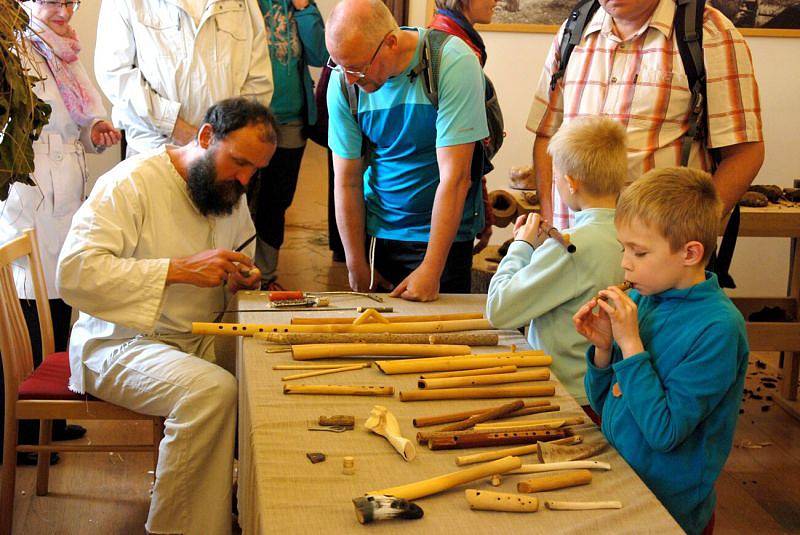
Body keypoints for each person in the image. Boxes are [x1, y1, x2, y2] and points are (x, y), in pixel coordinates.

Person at [56, 98, 275, 535]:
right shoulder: (131, 182)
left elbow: (240, 259)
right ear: (207, 137)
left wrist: (241, 277)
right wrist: (177, 269)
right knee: (211, 392)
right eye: (239, 162)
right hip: (119, 343)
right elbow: (73, 274)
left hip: (196, 338)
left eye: (256, 170)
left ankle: (247, 508)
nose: (246, 179)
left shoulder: (227, 192)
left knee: (270, 366)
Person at [573, 167, 749, 535]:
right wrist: (605, 352)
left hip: (669, 508)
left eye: (639, 251)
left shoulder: (718, 329)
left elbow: (664, 433)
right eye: (624, 248)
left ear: (690, 253)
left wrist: (631, 344)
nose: (624, 262)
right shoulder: (645, 299)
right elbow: (607, 407)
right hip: (623, 481)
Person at [0, 0, 121, 465]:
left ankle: (53, 414)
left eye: (71, 1)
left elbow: (81, 122)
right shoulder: (17, 49)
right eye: (53, 1)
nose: (64, 10)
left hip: (67, 194)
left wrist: (97, 131)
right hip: (33, 196)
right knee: (31, 305)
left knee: (62, 299)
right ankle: (27, 427)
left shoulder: (65, 51)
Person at [528, 0, 764, 230]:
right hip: (571, 247)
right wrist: (552, 225)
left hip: (662, 254)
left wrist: (689, 232)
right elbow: (547, 135)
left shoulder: (708, 32)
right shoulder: (575, 28)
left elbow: (744, 153)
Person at [326, 0, 489, 302]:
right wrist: (356, 263)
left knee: (440, 341)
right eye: (339, 66)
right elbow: (346, 180)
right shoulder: (344, 81)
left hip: (445, 237)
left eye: (357, 68)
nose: (348, 79)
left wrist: (431, 268)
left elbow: (455, 178)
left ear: (390, 42)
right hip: (381, 231)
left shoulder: (452, 63)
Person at [487, 117, 626, 415]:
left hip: (566, 395)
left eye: (557, 177)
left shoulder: (571, 247)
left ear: (571, 182)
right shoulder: (633, 237)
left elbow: (499, 309)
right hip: (608, 390)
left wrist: (521, 246)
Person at [94, 0, 274, 156]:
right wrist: (175, 127)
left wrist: (227, 135)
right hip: (154, 151)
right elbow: (114, 73)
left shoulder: (246, 4)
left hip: (223, 155)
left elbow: (259, 80)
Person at [250, 0, 328, 289]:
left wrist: (304, 7)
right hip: (250, 117)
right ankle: (238, 274)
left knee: (277, 200)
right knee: (241, 201)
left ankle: (266, 276)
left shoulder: (300, 4)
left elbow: (321, 54)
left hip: (292, 118)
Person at [427, 0, 498, 254]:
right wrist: (482, 208)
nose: (495, 1)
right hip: (444, 211)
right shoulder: (453, 49)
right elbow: (464, 148)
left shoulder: (458, 41)